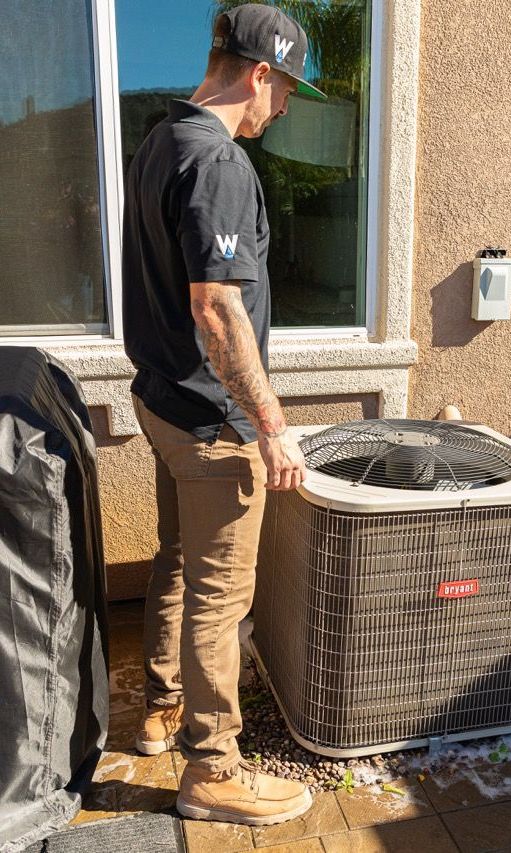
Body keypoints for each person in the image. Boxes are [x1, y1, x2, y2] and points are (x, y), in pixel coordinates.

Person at [122, 3, 325, 826]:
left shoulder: (160, 140)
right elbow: (216, 309)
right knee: (220, 596)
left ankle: (160, 710)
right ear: (261, 73)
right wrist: (270, 426)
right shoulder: (219, 163)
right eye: (285, 94)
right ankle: (212, 768)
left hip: (162, 404)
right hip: (211, 425)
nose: (283, 111)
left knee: (175, 561)